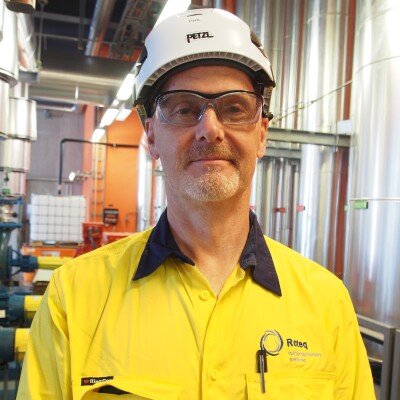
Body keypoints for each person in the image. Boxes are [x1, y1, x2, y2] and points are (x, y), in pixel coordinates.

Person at [17, 7, 375, 400]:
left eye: (234, 108)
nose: (210, 129)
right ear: (151, 136)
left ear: (261, 134)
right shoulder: (75, 297)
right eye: (184, 109)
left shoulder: (327, 304)